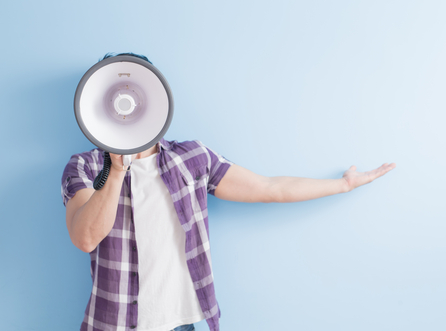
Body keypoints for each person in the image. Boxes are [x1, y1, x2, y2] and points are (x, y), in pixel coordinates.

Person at [61, 53, 396, 331]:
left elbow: (270, 188)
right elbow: (85, 238)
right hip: (113, 324)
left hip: (182, 323)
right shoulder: (86, 167)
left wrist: (344, 184)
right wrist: (117, 168)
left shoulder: (191, 158)